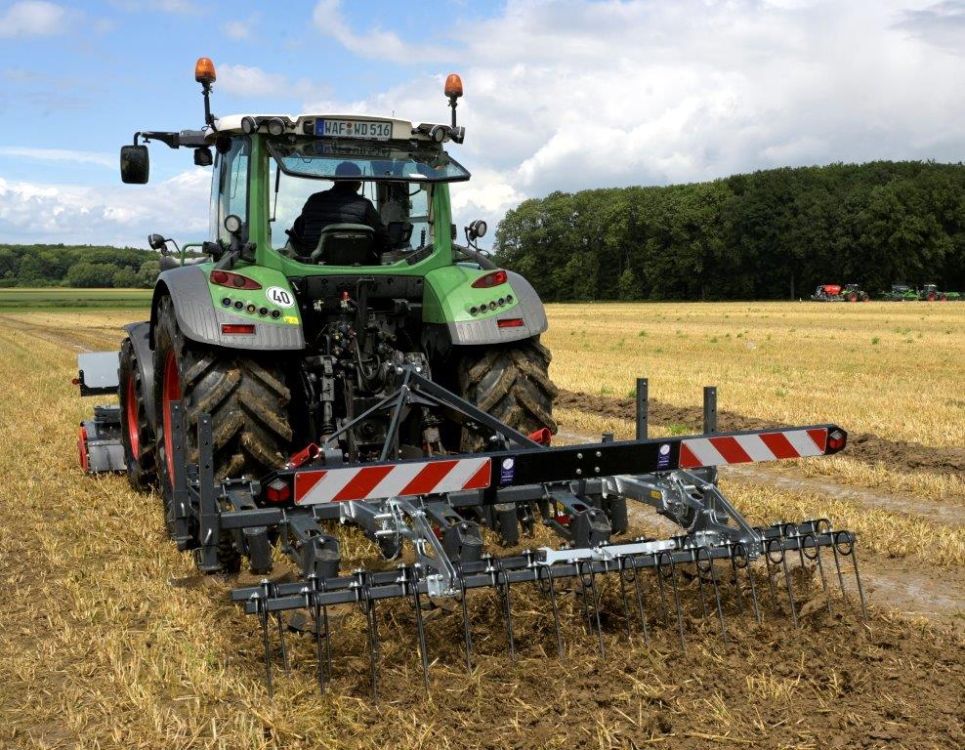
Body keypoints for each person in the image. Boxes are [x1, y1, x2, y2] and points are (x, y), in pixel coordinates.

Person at [289, 161, 389, 256]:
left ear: (335, 179)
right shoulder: (365, 205)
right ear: (358, 184)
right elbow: (382, 237)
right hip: (354, 262)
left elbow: (299, 231)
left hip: (313, 261)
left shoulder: (313, 200)